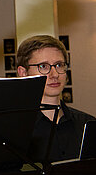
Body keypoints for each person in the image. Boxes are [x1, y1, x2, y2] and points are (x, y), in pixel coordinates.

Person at [17, 35, 95, 163]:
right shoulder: (13, 129)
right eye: (43, 66)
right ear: (23, 73)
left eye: (59, 65)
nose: (54, 74)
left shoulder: (88, 124)